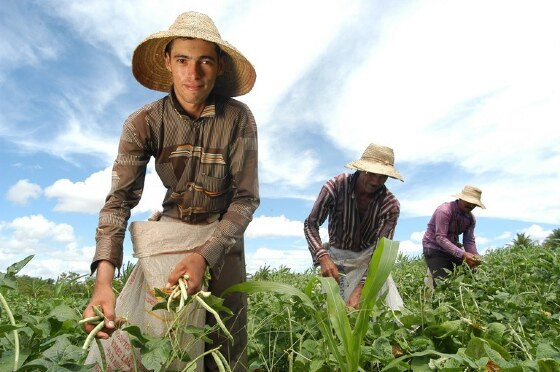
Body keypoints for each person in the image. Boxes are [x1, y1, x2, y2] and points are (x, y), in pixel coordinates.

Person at [82, 11, 259, 371]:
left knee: (226, 346)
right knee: (167, 342)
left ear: (220, 65)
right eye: (182, 60)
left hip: (223, 236)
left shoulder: (238, 118)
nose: (193, 74)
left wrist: (204, 255)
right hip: (171, 235)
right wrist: (103, 282)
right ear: (167, 61)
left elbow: (245, 200)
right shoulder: (143, 122)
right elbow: (118, 203)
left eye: (205, 61)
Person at [304, 143, 404, 309]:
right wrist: (323, 256)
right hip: (336, 259)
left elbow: (381, 253)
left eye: (383, 176)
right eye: (372, 173)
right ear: (361, 169)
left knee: (382, 314)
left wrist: (361, 288)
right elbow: (310, 224)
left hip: (368, 260)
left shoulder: (390, 205)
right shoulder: (335, 187)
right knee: (335, 318)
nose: (376, 181)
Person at [422, 185, 485, 284]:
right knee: (444, 283)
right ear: (461, 198)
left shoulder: (470, 219)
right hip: (434, 248)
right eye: (468, 202)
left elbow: (469, 241)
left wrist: (475, 256)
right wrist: (463, 254)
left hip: (452, 249)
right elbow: (440, 238)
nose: (471, 206)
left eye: (474, 204)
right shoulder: (444, 210)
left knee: (472, 275)